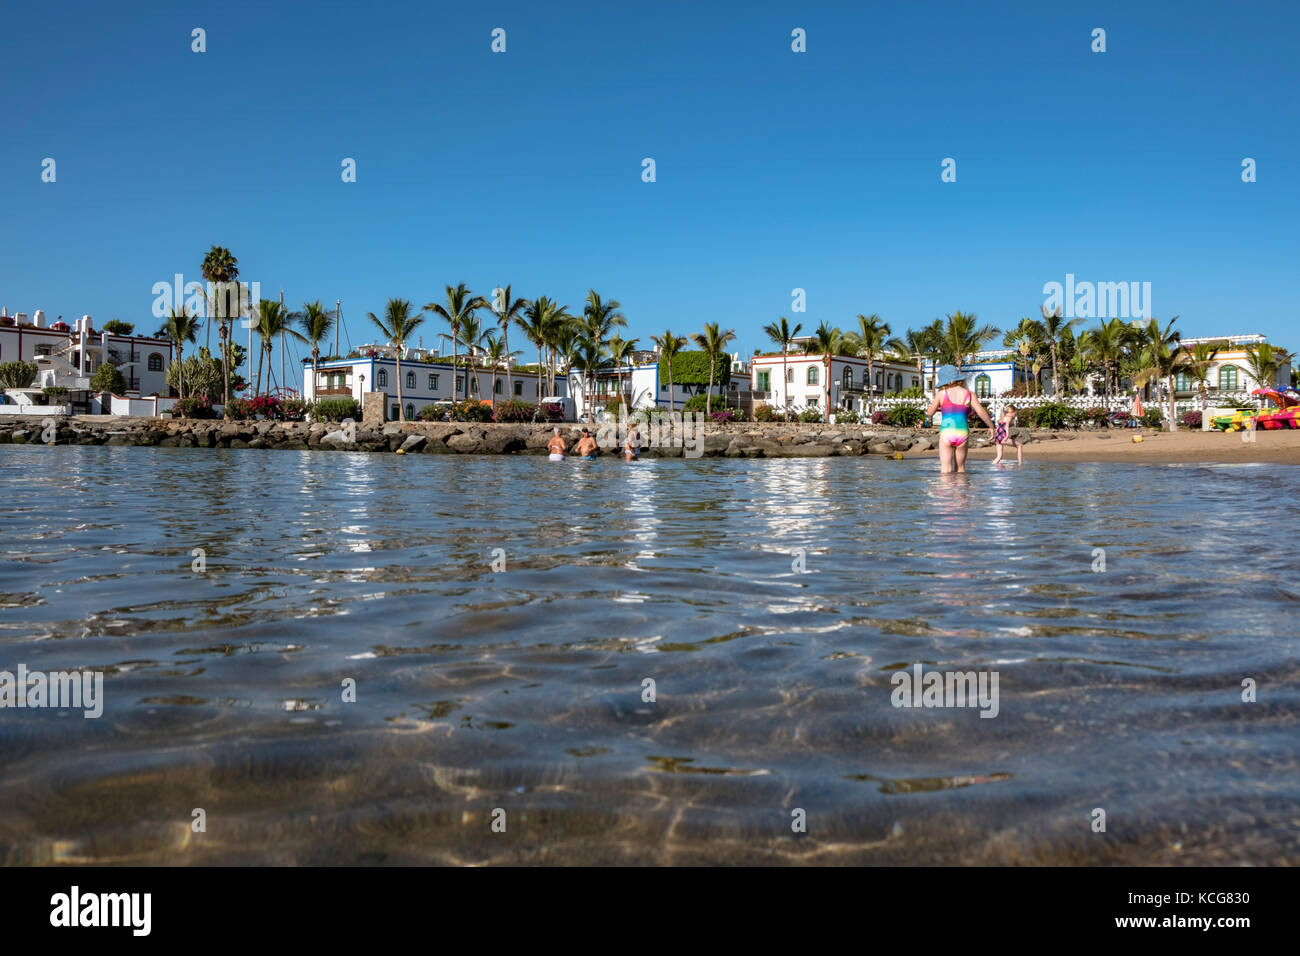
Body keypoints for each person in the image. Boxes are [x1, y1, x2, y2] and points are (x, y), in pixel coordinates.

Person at [924, 365, 994, 474]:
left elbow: (930, 412)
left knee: (946, 470)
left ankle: (946, 490)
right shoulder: (969, 394)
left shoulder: (942, 394)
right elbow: (980, 411)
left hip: (947, 433)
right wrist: (991, 426)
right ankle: (961, 490)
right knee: (960, 469)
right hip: (962, 433)